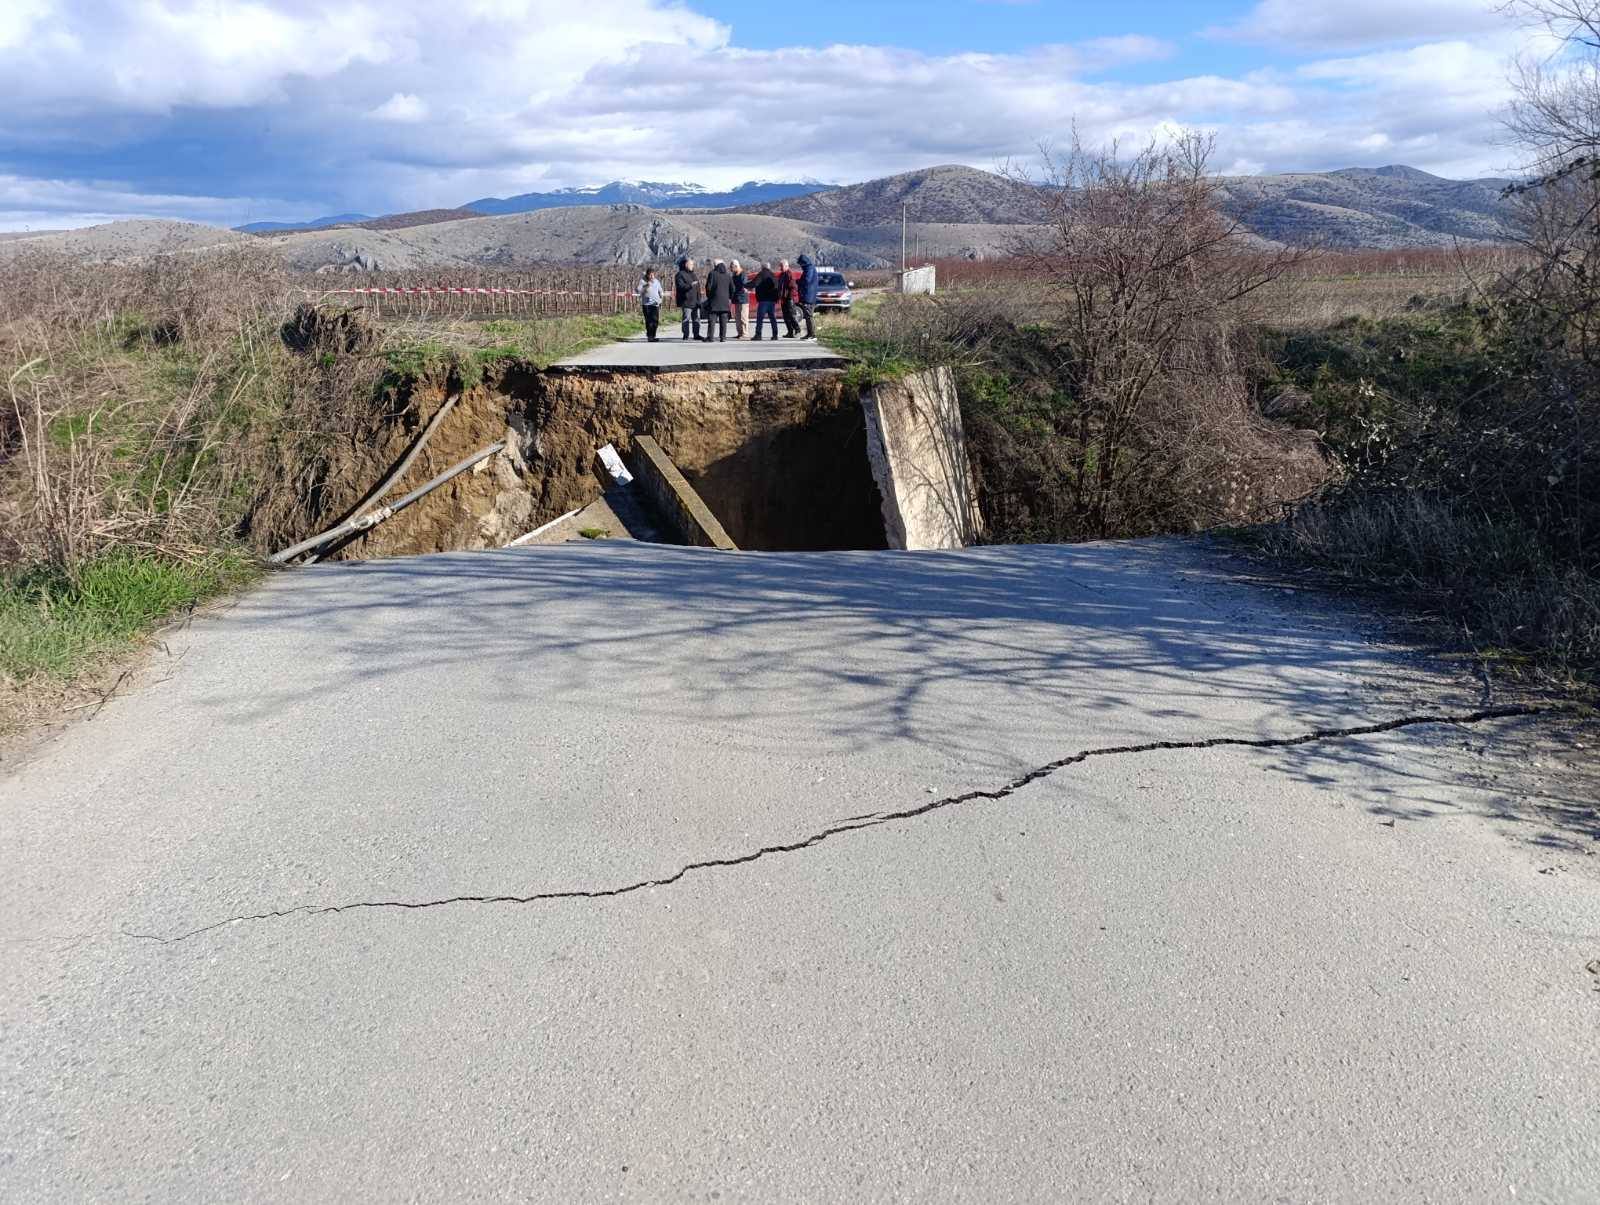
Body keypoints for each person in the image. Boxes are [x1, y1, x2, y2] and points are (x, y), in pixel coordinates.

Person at [702, 259, 732, 342]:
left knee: (712, 320)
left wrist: (709, 296)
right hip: (725, 301)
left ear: (715, 266)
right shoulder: (728, 275)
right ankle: (723, 337)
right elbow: (732, 288)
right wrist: (729, 297)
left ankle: (710, 337)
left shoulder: (712, 274)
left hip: (714, 301)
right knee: (723, 321)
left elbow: (708, 287)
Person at [674, 255, 701, 341]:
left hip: (695, 301)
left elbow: (697, 287)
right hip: (686, 300)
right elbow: (680, 286)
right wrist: (690, 285)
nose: (693, 266)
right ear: (686, 264)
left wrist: (699, 298)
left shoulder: (693, 274)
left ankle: (696, 334)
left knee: (696, 318)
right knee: (686, 318)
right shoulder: (679, 275)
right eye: (691, 264)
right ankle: (686, 335)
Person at [752, 262, 780, 340]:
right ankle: (775, 335)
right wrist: (776, 298)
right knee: (773, 318)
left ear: (762, 267)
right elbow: (777, 288)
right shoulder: (773, 275)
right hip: (772, 301)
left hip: (763, 300)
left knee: (760, 318)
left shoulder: (761, 274)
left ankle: (758, 335)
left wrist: (744, 286)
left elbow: (754, 283)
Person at [796, 253, 819, 341]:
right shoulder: (810, 268)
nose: (800, 266)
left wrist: (798, 281)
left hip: (808, 296)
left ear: (803, 262)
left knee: (809, 316)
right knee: (808, 315)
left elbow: (807, 280)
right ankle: (809, 334)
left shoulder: (809, 268)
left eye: (800, 264)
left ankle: (812, 335)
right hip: (809, 295)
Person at [638, 267, 663, 342]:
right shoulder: (643, 281)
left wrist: (661, 296)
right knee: (649, 321)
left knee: (655, 320)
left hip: (655, 303)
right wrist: (646, 286)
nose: (652, 277)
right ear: (647, 275)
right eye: (650, 275)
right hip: (646, 304)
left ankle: (653, 335)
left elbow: (660, 290)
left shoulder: (656, 281)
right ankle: (650, 336)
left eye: (653, 275)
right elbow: (638, 290)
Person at [776, 258, 799, 338]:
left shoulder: (790, 274)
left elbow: (793, 287)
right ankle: (790, 332)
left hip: (789, 299)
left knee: (791, 315)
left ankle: (797, 329)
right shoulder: (782, 275)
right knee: (786, 317)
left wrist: (789, 297)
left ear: (786, 266)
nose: (780, 268)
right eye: (780, 266)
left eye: (782, 266)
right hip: (783, 299)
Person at [729, 259, 749, 339]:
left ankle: (745, 334)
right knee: (737, 318)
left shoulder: (743, 274)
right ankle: (740, 333)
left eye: (732, 268)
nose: (731, 269)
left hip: (743, 299)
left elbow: (743, 286)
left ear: (736, 266)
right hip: (736, 299)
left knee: (743, 317)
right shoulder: (734, 275)